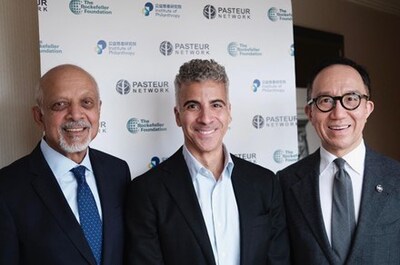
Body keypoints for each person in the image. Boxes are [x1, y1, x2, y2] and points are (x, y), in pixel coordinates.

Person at [124, 59, 290, 265]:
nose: (206, 118)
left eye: (216, 105)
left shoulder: (265, 183)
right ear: (178, 115)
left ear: (229, 112)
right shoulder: (146, 191)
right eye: (193, 106)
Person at [0, 64, 131, 265]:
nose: (76, 115)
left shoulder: (118, 171)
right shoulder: (7, 187)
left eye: (86, 103)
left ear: (99, 110)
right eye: (60, 105)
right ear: (39, 116)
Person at [277, 57, 400, 265]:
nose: (338, 113)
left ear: (367, 108)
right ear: (310, 112)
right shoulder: (285, 183)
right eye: (325, 100)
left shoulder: (396, 178)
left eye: (351, 99)